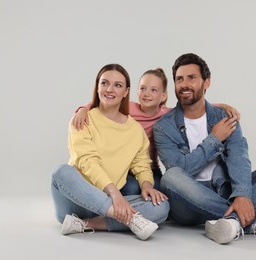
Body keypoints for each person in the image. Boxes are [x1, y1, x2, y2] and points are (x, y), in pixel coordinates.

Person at [153, 53, 256, 244]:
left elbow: (238, 155)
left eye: (191, 78)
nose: (184, 84)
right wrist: (214, 139)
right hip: (186, 203)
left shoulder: (224, 116)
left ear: (206, 82)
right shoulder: (163, 126)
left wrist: (241, 194)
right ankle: (248, 221)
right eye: (179, 79)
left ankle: (230, 224)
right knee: (171, 176)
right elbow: (180, 168)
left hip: (223, 190)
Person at [72, 68, 241, 195]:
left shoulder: (167, 115)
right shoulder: (127, 108)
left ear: (163, 96)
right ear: (135, 91)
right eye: (143, 88)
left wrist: (223, 106)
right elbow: (103, 101)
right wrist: (82, 110)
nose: (146, 94)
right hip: (123, 166)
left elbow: (195, 105)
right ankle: (114, 203)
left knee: (164, 194)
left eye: (153, 90)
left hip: (150, 168)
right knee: (130, 187)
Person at [51, 64, 170, 241]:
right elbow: (87, 161)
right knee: (61, 172)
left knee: (162, 206)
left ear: (126, 92)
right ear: (97, 86)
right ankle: (132, 219)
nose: (109, 89)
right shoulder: (82, 119)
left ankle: (85, 224)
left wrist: (147, 185)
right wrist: (115, 195)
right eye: (104, 83)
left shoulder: (135, 130)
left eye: (118, 85)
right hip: (76, 201)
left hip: (105, 204)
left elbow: (141, 164)